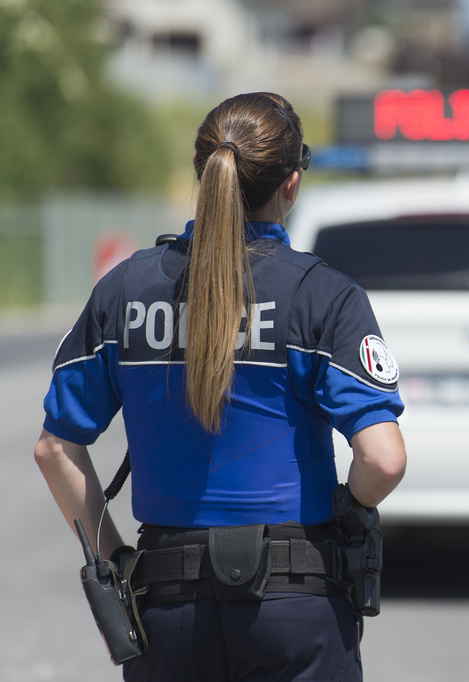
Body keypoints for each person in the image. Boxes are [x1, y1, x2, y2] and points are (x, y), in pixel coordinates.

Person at [34, 92, 407, 681]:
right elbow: (383, 460)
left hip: (167, 607)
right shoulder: (322, 294)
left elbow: (55, 448)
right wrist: (348, 507)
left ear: (203, 172)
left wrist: (114, 562)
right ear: (291, 183)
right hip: (296, 606)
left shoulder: (124, 290)